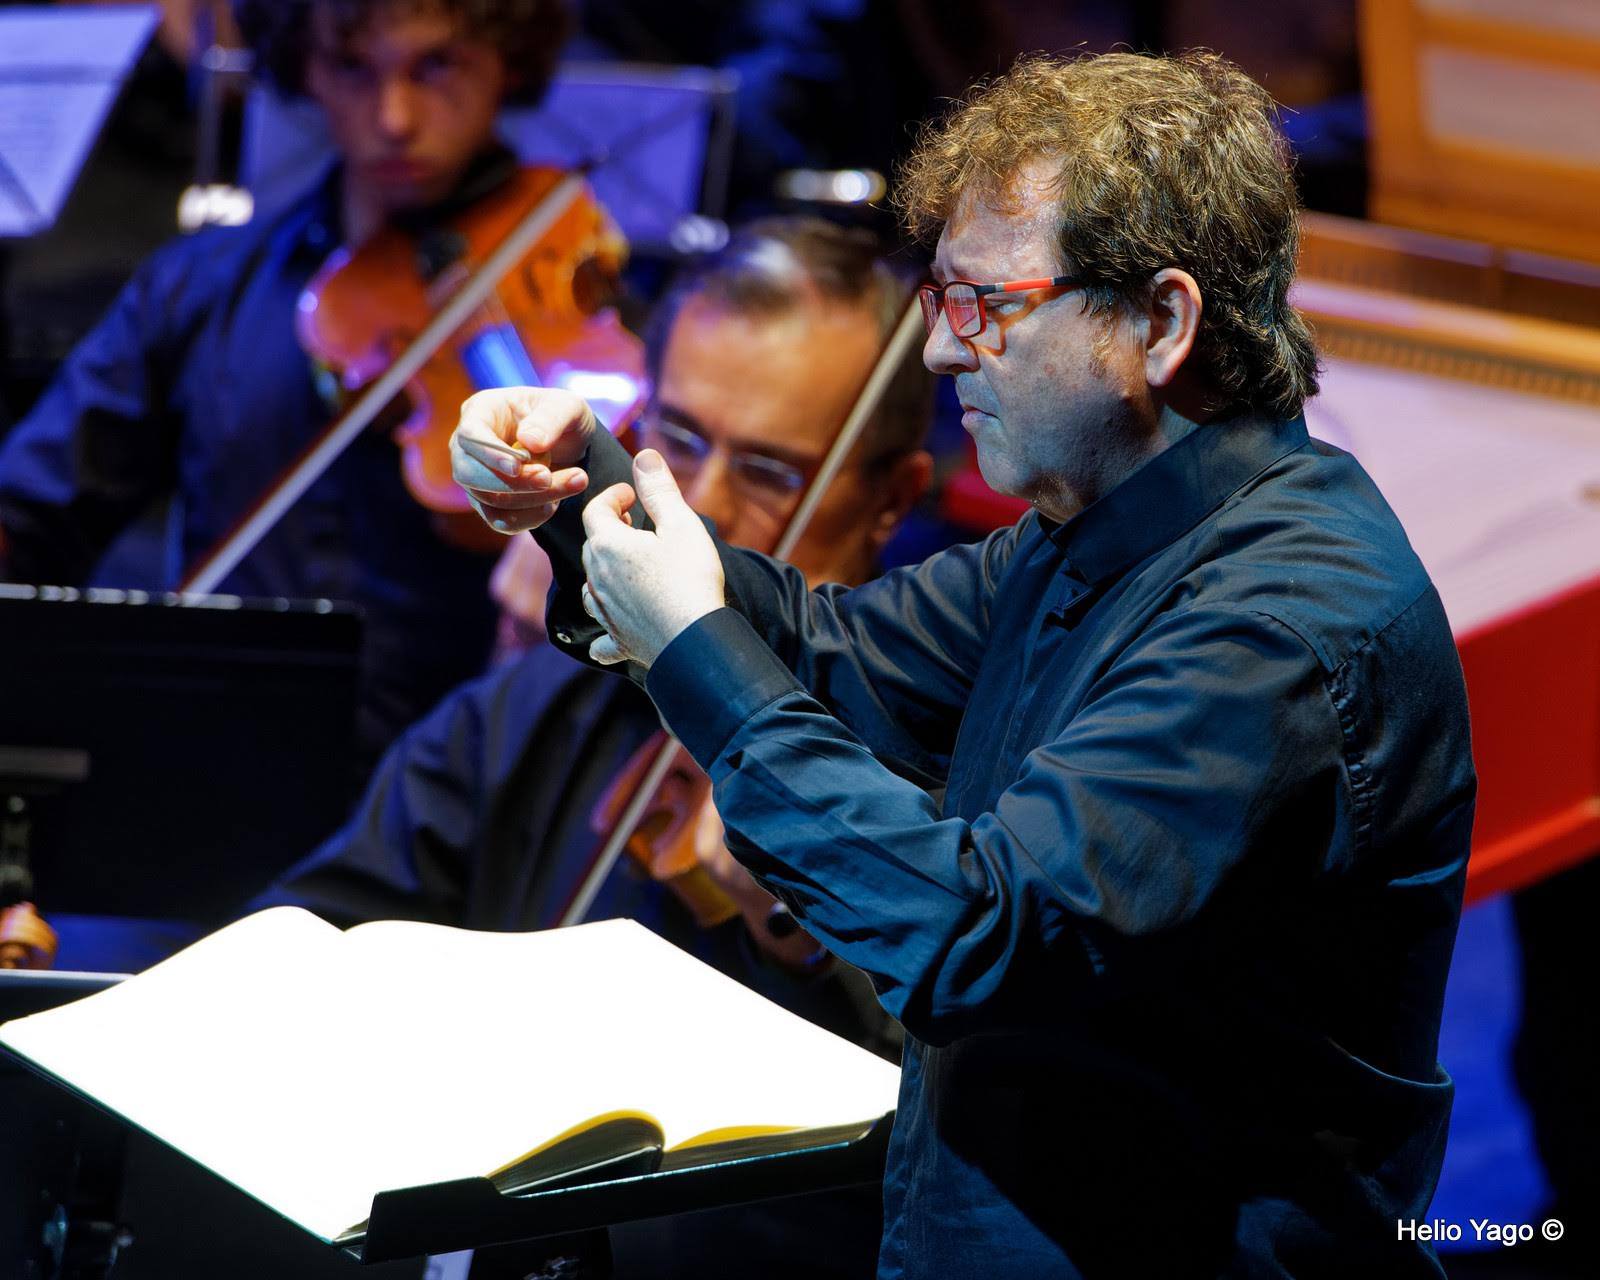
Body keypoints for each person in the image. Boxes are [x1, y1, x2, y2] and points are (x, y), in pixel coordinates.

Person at [452, 52, 1479, 1279]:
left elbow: (978, 934)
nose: (941, 352)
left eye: (983, 304)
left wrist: (691, 653)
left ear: (1158, 323)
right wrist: (583, 495)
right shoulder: (1086, 531)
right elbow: (829, 649)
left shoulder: (1284, 624)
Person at [259, 216, 932, 1278]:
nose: (698, 512)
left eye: (767, 470)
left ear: (890, 498)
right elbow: (301, 947)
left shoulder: (926, 755)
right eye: (683, 441)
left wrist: (792, 924)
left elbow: (945, 1132)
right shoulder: (537, 703)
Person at [0, 0, 574, 766]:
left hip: (458, 801)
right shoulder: (201, 287)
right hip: (206, 769)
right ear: (303, 63)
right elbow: (31, 517)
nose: (394, 118)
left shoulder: (580, 303)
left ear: (509, 60)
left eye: (437, 66)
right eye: (352, 68)